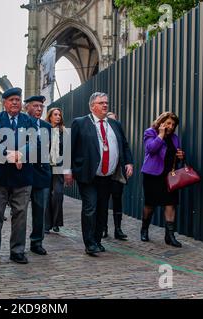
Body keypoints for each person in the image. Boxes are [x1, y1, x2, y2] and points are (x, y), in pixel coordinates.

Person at [65, 92, 133, 256]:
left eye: (106, 103)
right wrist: (67, 170)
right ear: (92, 106)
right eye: (101, 103)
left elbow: (124, 144)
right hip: (88, 175)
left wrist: (128, 162)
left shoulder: (115, 124)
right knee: (90, 207)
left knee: (103, 209)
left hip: (108, 176)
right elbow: (69, 147)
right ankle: (89, 244)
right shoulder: (80, 123)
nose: (105, 105)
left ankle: (97, 241)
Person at [0, 87, 34, 265]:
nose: (14, 102)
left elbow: (34, 142)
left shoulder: (29, 121)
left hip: (22, 178)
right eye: (11, 99)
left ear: (21, 103)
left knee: (20, 215)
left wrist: (20, 154)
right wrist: (8, 154)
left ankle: (17, 251)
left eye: (17, 100)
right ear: (4, 103)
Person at [140, 111, 185, 247]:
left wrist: (181, 156)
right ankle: (144, 229)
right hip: (152, 175)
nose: (171, 126)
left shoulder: (175, 138)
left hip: (169, 176)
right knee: (150, 205)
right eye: (168, 123)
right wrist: (160, 135)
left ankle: (169, 236)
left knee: (170, 204)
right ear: (161, 122)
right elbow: (151, 149)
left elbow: (174, 158)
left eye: (173, 124)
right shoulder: (150, 133)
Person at [25, 95, 51, 255]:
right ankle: (18, 243)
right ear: (27, 107)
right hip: (24, 173)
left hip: (42, 174)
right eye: (35, 106)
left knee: (40, 210)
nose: (39, 109)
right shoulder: (21, 123)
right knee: (19, 211)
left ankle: (37, 242)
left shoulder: (47, 127)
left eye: (41, 106)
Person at [102, 111, 128, 240]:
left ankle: (118, 229)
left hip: (117, 173)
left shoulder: (118, 130)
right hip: (104, 173)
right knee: (104, 201)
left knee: (117, 200)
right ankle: (103, 228)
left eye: (114, 120)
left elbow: (125, 146)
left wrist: (129, 163)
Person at [45, 107, 66, 234]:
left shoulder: (64, 132)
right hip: (46, 166)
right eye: (55, 114)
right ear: (50, 116)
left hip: (59, 166)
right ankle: (47, 224)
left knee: (58, 194)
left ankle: (56, 222)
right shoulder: (44, 130)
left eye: (59, 115)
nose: (58, 117)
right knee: (46, 195)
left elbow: (67, 151)